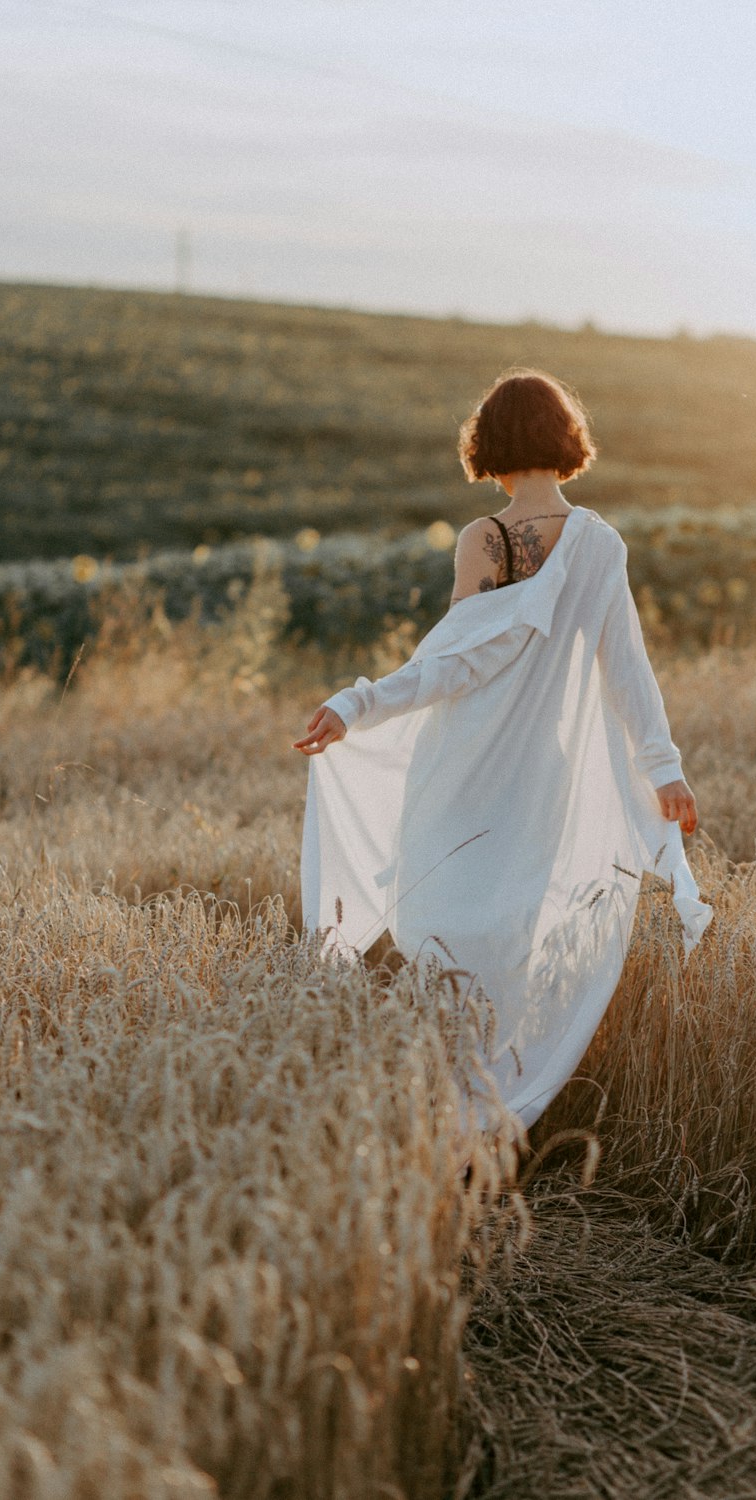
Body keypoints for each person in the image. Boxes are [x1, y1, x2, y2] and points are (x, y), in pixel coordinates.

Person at [293, 369, 711, 1133]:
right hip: (538, 778)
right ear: (564, 440)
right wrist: (665, 768)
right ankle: (487, 1116)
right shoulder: (600, 545)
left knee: (440, 936)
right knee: (513, 943)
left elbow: (454, 667)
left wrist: (359, 702)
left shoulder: (484, 541)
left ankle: (449, 1117)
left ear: (489, 444)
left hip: (461, 766)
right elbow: (628, 670)